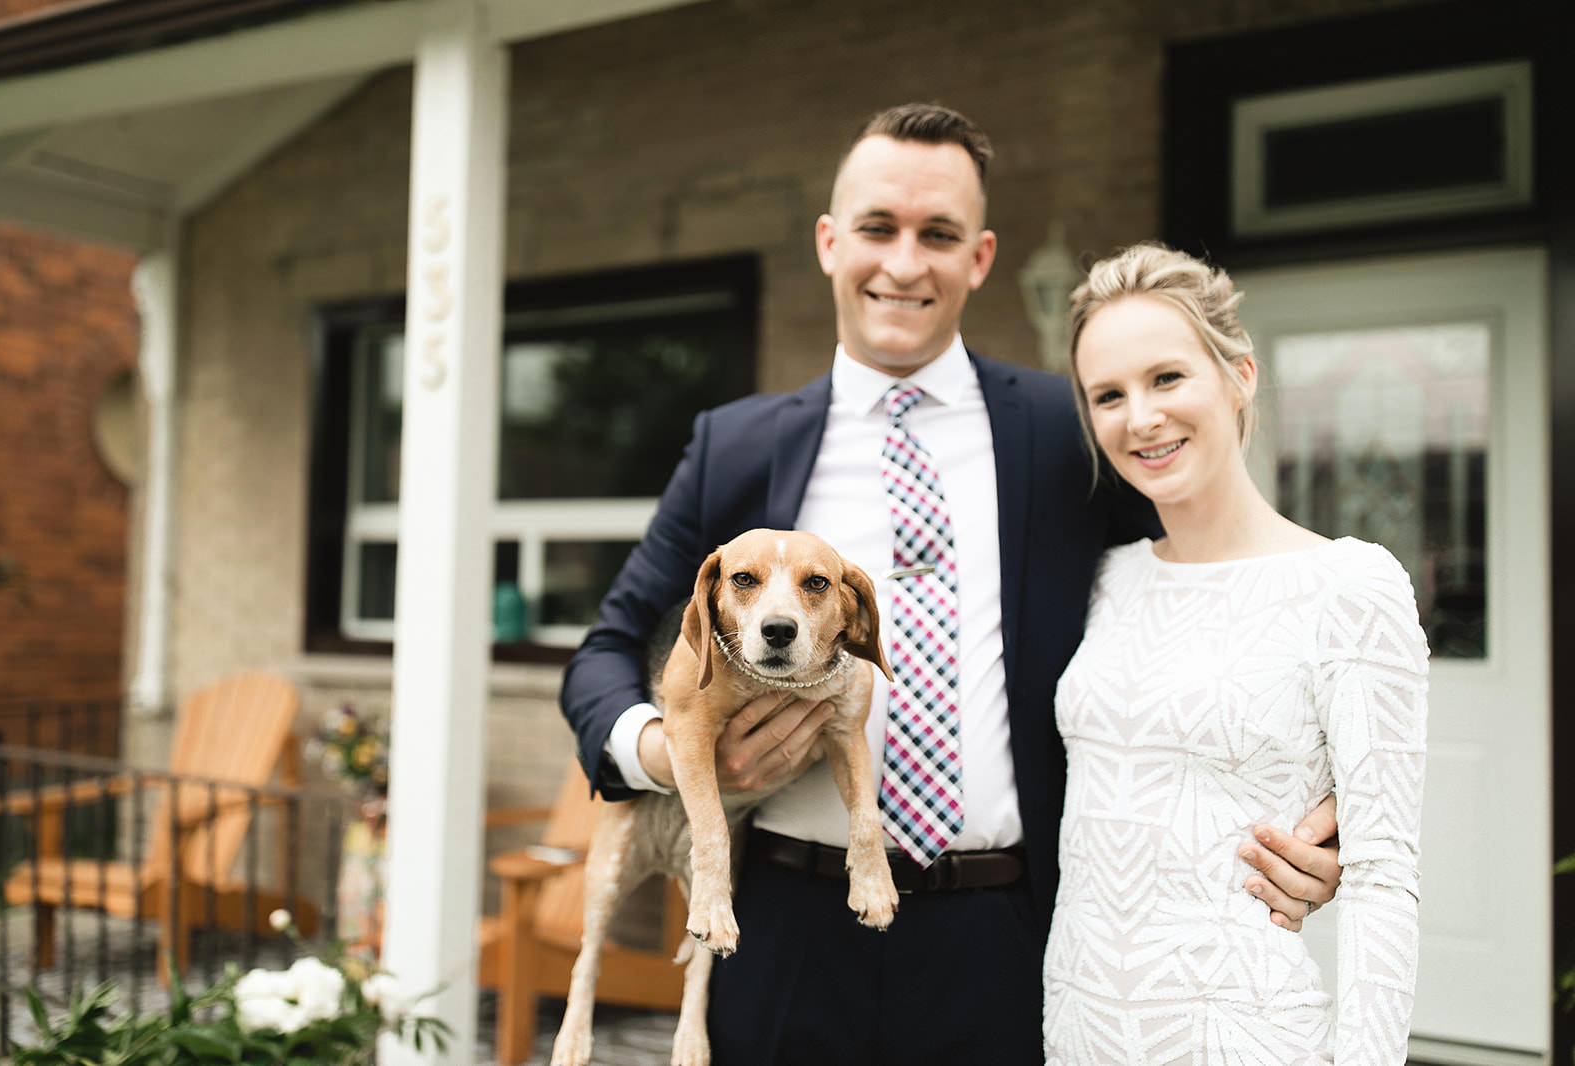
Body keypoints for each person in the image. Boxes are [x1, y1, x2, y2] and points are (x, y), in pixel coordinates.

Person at [561, 104, 1342, 1065]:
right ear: (829, 243)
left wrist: (1325, 796)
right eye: (878, 229)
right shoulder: (738, 446)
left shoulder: (1067, 430)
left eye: (938, 236)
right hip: (783, 930)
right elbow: (603, 652)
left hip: (1008, 933)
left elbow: (1209, 591)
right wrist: (666, 753)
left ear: (979, 257)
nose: (903, 263)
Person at [1045, 242, 1427, 1064]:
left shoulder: (1349, 586)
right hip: (1077, 1030)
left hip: (1243, 1034)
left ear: (1240, 376)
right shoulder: (1106, 579)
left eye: (1167, 378)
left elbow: (1383, 882)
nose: (1139, 416)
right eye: (1107, 395)